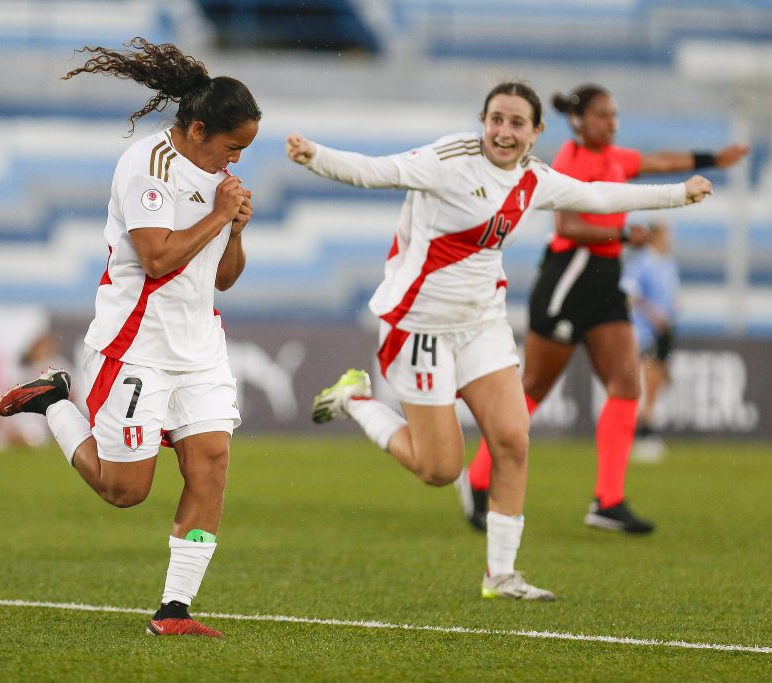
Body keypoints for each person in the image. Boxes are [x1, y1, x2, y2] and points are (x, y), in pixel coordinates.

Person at [285, 82, 712, 600]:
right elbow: (380, 171)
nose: (503, 132)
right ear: (483, 121)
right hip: (419, 324)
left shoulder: (534, 178)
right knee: (439, 469)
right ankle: (355, 400)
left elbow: (598, 194)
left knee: (512, 437)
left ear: (536, 132)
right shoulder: (449, 159)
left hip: (482, 323)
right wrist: (315, 156)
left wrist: (677, 195)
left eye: (516, 123)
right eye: (496, 120)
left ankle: (501, 575)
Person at [0, 37, 261, 638]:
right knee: (125, 490)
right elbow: (158, 258)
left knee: (212, 464)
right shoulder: (148, 166)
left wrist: (236, 231)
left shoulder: (219, 185)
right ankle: (57, 402)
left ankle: (174, 610)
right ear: (197, 129)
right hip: (136, 343)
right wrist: (219, 215)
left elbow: (222, 277)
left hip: (200, 345)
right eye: (232, 147)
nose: (236, 162)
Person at [459, 83, 748, 534]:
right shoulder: (572, 161)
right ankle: (476, 478)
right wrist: (623, 235)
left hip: (606, 279)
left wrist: (714, 160)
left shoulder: (616, 158)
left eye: (615, 116)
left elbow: (662, 162)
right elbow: (568, 225)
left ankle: (607, 500)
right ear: (580, 121)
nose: (612, 123)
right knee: (532, 389)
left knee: (626, 384)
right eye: (604, 116)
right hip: (570, 279)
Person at [622, 220, 680, 462]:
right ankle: (643, 432)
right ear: (656, 236)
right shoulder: (641, 262)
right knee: (649, 379)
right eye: (666, 234)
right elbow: (630, 294)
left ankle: (645, 427)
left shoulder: (668, 264)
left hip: (665, 330)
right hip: (644, 331)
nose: (669, 239)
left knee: (660, 379)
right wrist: (652, 313)